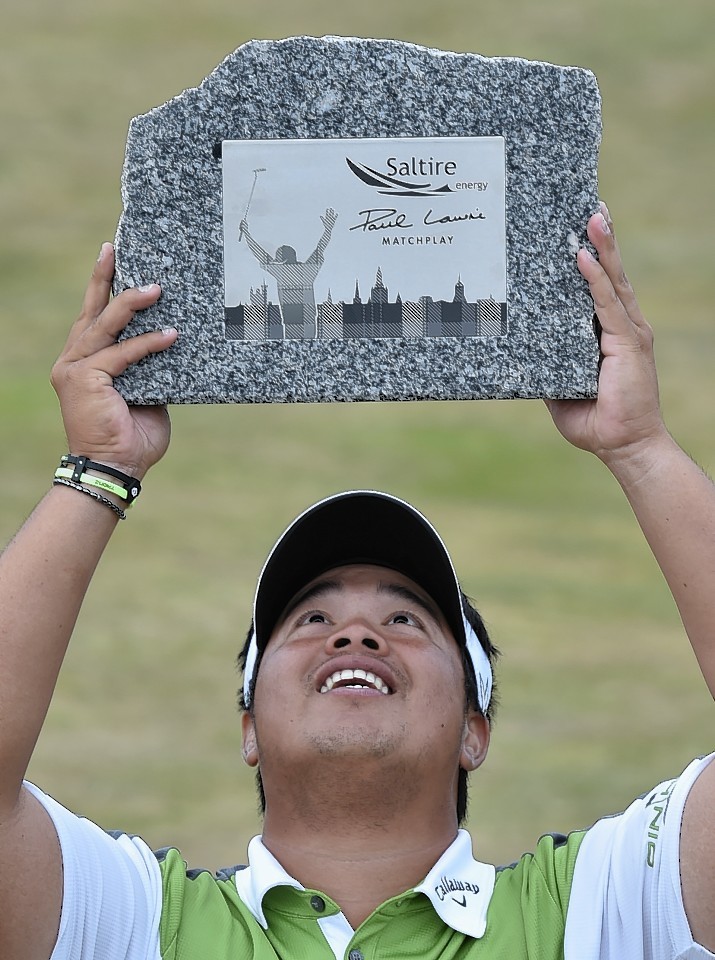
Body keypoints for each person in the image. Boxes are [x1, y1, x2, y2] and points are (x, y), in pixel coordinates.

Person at [0, 203, 714, 960]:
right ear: (247, 726)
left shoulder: (598, 913)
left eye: (407, 620)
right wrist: (98, 473)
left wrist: (641, 449)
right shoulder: (136, 920)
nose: (356, 632)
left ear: (476, 730)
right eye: (309, 620)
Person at [240, 207, 337, 338]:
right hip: (307, 319)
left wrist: (247, 233)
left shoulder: (281, 271)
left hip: (291, 319)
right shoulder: (307, 269)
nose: (274, 260)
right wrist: (328, 230)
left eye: (277, 257)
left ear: (283, 260)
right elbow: (321, 247)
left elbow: (260, 254)